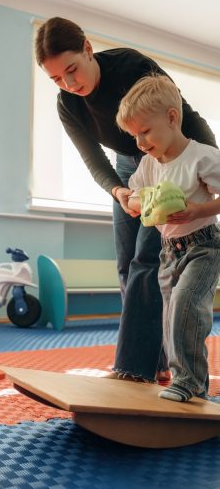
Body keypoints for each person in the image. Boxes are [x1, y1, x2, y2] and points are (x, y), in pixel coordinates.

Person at [35, 17, 218, 383]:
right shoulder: (67, 104)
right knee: (126, 263)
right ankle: (157, 359)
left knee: (148, 259)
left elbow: (179, 115)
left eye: (71, 70)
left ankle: (133, 368)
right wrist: (119, 192)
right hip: (127, 166)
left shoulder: (131, 66)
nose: (69, 84)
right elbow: (93, 159)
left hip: (167, 153)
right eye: (57, 79)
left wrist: (200, 163)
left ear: (88, 49)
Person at [116, 74, 220, 401]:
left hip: (204, 246)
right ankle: (185, 382)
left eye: (145, 132)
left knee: (186, 305)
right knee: (170, 316)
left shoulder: (201, 157)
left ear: (172, 118)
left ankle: (189, 383)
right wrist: (137, 201)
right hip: (168, 253)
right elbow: (133, 196)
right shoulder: (149, 164)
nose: (141, 142)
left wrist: (196, 211)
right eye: (134, 136)